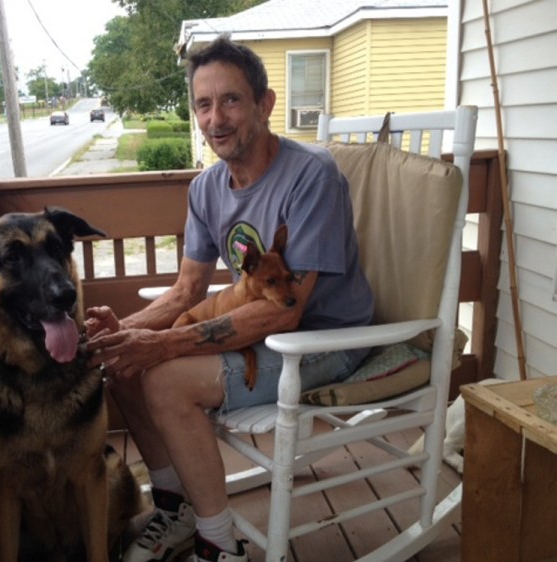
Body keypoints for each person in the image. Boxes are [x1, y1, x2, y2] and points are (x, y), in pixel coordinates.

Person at [85, 35, 374, 562]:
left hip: (325, 341)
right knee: (125, 365)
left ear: (264, 105)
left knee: (167, 380)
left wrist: (163, 345)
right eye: (203, 103)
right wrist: (129, 332)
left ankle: (220, 547)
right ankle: (178, 506)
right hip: (263, 336)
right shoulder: (206, 188)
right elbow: (187, 290)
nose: (215, 118)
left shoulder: (312, 177)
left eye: (231, 100)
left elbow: (284, 312)